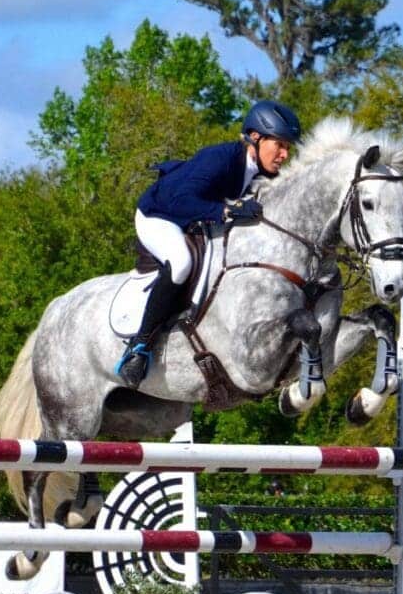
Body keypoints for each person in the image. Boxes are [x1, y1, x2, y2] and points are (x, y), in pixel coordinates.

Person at [115, 99, 302, 388]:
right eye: (279, 145)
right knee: (181, 262)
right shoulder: (221, 159)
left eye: (288, 148)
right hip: (160, 215)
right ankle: (140, 347)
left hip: (195, 220)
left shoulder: (264, 172)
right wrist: (226, 211)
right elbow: (182, 201)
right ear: (255, 137)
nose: (284, 155)